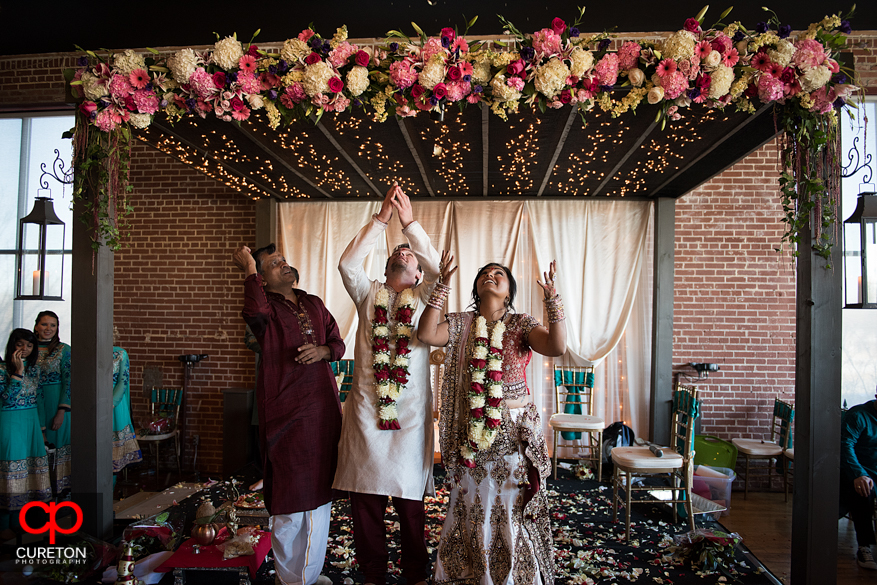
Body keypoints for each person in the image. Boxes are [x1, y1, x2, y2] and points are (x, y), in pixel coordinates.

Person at [418, 260, 566, 585]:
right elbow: (427, 333)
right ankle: (472, 573)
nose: (491, 276)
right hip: (471, 432)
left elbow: (556, 346)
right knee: (472, 503)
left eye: (499, 274)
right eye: (485, 273)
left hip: (513, 433)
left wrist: (553, 300)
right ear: (476, 288)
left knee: (509, 505)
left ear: (509, 289)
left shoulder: (522, 323)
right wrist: (441, 285)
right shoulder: (461, 324)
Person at [334, 183, 440, 585]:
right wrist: (381, 220)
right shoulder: (367, 294)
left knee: (411, 504)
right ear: (385, 270)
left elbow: (439, 269)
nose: (405, 253)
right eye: (398, 251)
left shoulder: (428, 295)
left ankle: (415, 574)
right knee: (365, 501)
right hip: (366, 412)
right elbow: (348, 265)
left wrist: (409, 223)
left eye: (411, 257)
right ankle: (373, 575)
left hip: (410, 417)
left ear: (418, 275)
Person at [232, 243, 344, 585]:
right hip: (285, 413)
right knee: (290, 495)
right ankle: (291, 578)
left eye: (284, 260)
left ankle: (307, 574)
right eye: (274, 263)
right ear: (263, 279)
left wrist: (324, 349)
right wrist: (249, 269)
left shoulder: (313, 303)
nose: (285, 265)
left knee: (320, 494)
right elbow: (253, 312)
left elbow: (338, 344)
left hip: (323, 410)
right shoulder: (266, 309)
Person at [0, 328, 51, 537]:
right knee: (10, 471)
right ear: (12, 345)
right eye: (20, 344)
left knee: (28, 471)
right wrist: (17, 373)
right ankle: (3, 526)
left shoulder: (35, 369)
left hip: (30, 424)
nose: (25, 349)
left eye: (29, 346)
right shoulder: (2, 369)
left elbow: (38, 400)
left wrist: (42, 431)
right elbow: (7, 400)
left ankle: (19, 522)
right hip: (10, 422)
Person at [34, 311, 72, 496]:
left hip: (57, 408)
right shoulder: (28, 348)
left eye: (53, 325)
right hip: (32, 407)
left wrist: (61, 411)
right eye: (44, 324)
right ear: (36, 326)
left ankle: (61, 500)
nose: (48, 329)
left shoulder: (64, 350)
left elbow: (70, 381)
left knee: (57, 451)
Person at [840, 393, 877, 570]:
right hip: (862, 470)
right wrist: (859, 474)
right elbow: (846, 445)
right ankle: (864, 546)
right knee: (864, 490)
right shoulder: (858, 415)